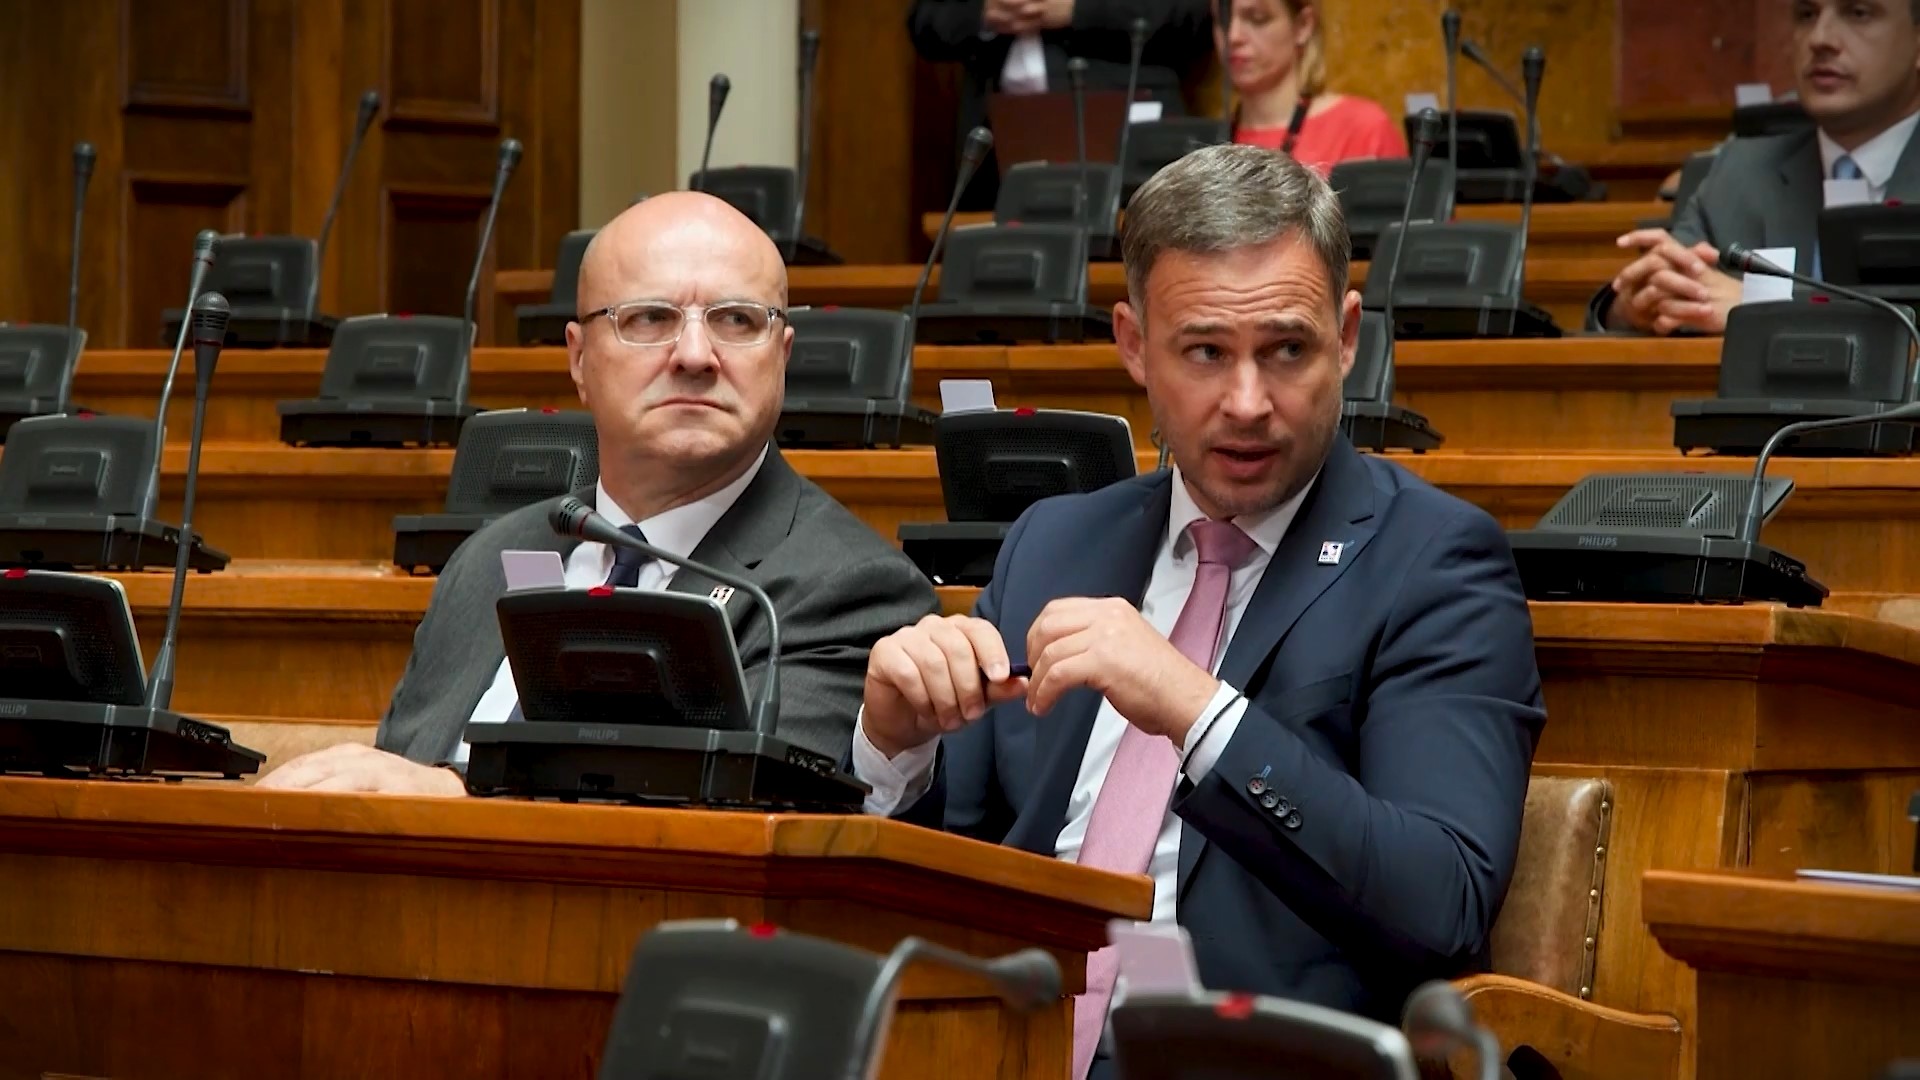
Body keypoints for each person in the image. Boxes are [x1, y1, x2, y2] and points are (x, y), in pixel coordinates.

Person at [853, 144, 1543, 1080]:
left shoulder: (1434, 561)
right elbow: (954, 853)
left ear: (1347, 337)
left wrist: (1196, 709)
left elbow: (1441, 902)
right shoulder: (1055, 543)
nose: (1248, 403)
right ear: (1135, 345)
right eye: (1206, 352)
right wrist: (895, 748)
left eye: (1287, 349)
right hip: (1005, 1043)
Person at [258, 193, 938, 795]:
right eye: (649, 319)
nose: (695, 355)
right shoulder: (488, 560)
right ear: (579, 359)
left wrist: (454, 798)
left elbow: (728, 817)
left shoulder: (851, 588)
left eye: (736, 320)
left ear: (781, 356)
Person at [1597, 0, 1920, 335]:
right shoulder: (1741, 172)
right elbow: (1666, 295)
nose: (1820, 39)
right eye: (1807, 15)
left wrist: (1762, 308)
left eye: (1858, 13)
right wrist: (1634, 306)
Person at [908, 0, 1215, 208]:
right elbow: (924, 20)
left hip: (1123, 130)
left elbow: (1193, 13)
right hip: (998, 145)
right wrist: (985, 12)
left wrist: (1077, 8)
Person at [1224, 0, 1406, 172]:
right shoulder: (1211, 138)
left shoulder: (1364, 131)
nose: (1233, 36)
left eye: (1257, 18)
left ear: (1303, 26)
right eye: (1223, 20)